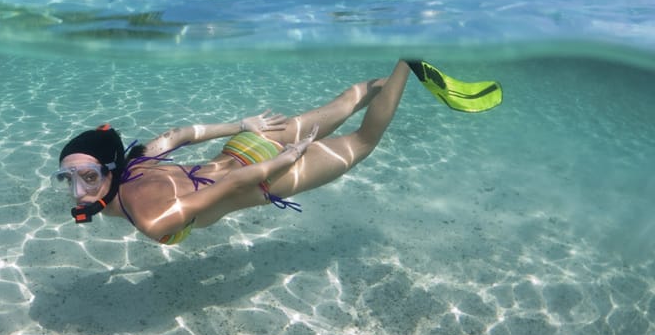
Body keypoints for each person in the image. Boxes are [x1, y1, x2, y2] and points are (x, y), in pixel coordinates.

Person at [51, 60, 501, 245]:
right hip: (243, 144)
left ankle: (409, 65)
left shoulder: (151, 221)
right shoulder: (141, 157)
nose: (76, 190)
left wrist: (280, 164)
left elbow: (228, 186)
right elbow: (182, 132)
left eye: (87, 176)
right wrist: (244, 125)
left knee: (363, 142)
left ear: (110, 170)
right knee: (343, 104)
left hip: (263, 172)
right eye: (68, 179)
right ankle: (387, 81)